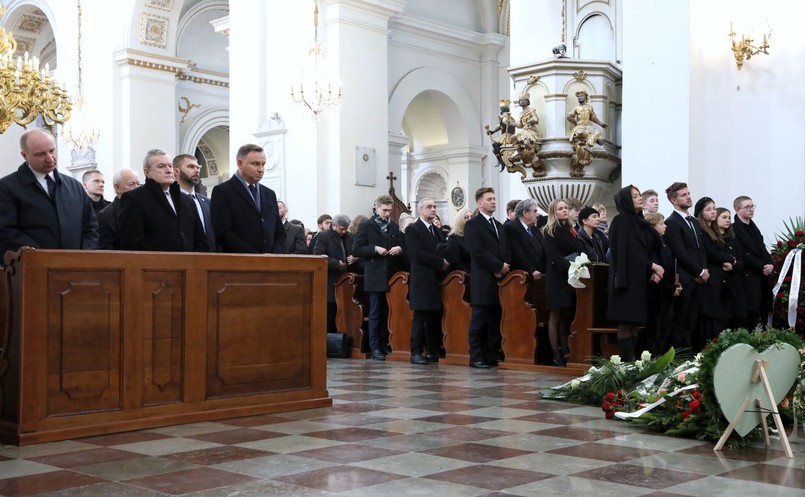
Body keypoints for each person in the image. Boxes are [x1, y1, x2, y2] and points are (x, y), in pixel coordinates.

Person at [0, 128, 98, 258]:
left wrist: (84, 255)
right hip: (32, 267)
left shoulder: (74, 186)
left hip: (75, 266)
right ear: (25, 155)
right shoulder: (7, 187)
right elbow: (5, 231)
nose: (50, 158)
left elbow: (90, 227)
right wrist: (42, 255)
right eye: (40, 154)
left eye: (52, 151)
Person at [607, 186, 664, 361]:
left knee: (634, 322)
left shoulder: (639, 222)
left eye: (639, 195)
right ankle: (627, 360)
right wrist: (652, 265)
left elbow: (652, 245)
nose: (640, 198)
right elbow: (628, 253)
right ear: (626, 201)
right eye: (635, 196)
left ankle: (632, 360)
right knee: (626, 321)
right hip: (625, 279)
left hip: (639, 279)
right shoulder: (621, 220)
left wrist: (654, 267)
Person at [119, 149, 209, 252]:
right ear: (147, 172)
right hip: (154, 265)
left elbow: (200, 239)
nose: (168, 170)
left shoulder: (186, 200)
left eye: (170, 166)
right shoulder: (134, 198)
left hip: (189, 265)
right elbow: (132, 242)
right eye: (161, 166)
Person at [352, 195, 405, 361]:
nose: (387, 214)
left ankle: (384, 344)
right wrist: (375, 248)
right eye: (384, 210)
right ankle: (374, 347)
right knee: (375, 313)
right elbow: (357, 250)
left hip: (391, 275)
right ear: (377, 207)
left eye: (390, 210)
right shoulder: (367, 226)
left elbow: (403, 246)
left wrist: (400, 248)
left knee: (386, 312)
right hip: (375, 275)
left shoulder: (394, 227)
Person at [464, 187, 510, 368]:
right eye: (489, 199)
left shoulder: (498, 225)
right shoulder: (473, 225)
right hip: (483, 278)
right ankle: (476, 356)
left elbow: (506, 248)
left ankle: (492, 354)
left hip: (501, 279)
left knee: (495, 319)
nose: (493, 201)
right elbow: (477, 251)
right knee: (479, 319)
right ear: (479, 203)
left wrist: (506, 264)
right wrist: (498, 266)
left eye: (494, 198)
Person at [211, 144, 286, 254]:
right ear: (240, 163)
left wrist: (274, 255)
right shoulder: (223, 191)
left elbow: (279, 231)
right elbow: (223, 232)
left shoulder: (269, 194)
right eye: (255, 164)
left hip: (271, 263)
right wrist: (255, 257)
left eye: (263, 164)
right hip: (240, 262)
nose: (261, 169)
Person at [664, 182, 709, 351]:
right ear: (674, 200)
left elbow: (700, 248)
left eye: (688, 193)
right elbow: (680, 253)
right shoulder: (672, 222)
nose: (689, 197)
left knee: (692, 322)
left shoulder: (694, 222)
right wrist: (698, 271)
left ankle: (689, 359)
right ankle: (678, 359)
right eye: (683, 195)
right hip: (685, 278)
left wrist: (704, 270)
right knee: (680, 322)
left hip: (698, 279)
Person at [405, 198, 449, 365]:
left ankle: (432, 350)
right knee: (421, 315)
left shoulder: (437, 231)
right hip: (422, 278)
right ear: (420, 210)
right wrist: (440, 262)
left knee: (433, 316)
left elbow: (442, 248)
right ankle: (415, 352)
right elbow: (417, 253)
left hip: (436, 277)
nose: (433, 209)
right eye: (429, 207)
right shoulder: (413, 230)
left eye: (435, 206)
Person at [699, 206, 746, 339]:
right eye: (724, 217)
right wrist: (730, 259)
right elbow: (713, 255)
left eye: (729, 218)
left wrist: (734, 264)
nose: (728, 220)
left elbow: (741, 262)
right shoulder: (712, 238)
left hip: (733, 283)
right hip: (717, 284)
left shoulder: (733, 239)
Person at [541, 199, 578, 366]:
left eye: (566, 208)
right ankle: (556, 354)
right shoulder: (549, 230)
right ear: (553, 212)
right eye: (560, 208)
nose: (564, 210)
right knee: (555, 315)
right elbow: (553, 255)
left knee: (566, 317)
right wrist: (571, 266)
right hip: (557, 276)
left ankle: (565, 350)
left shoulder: (570, 229)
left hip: (570, 276)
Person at [732, 196, 774, 330]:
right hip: (748, 275)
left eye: (752, 206)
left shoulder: (753, 227)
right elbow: (742, 254)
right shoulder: (734, 229)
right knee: (750, 312)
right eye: (747, 207)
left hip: (761, 275)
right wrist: (761, 266)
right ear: (737, 210)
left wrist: (770, 263)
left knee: (762, 309)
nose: (751, 210)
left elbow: (762, 248)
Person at [643, 212, 681, 355]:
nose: (665, 226)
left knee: (665, 331)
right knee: (655, 332)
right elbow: (658, 272)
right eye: (661, 223)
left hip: (669, 293)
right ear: (652, 226)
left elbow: (672, 266)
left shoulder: (664, 243)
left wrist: (677, 285)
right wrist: (670, 289)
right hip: (657, 294)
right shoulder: (652, 244)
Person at [314, 214, 357, 333]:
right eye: (341, 229)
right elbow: (318, 256)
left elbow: (355, 251)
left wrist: (354, 258)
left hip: (347, 281)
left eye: (345, 229)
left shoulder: (350, 236)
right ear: (333, 225)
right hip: (331, 281)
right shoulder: (323, 236)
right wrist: (335, 263)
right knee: (330, 315)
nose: (343, 231)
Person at [173, 154, 216, 251]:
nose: (196, 170)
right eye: (191, 167)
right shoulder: (171, 201)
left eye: (198, 167)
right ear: (176, 171)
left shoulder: (207, 203)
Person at [566, 89, 608, 176]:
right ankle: (595, 140)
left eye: (581, 96)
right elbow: (569, 117)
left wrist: (601, 124)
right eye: (578, 97)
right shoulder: (576, 108)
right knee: (580, 133)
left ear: (586, 97)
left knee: (597, 132)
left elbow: (593, 118)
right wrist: (575, 123)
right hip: (580, 126)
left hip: (588, 127)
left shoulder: (589, 107)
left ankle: (589, 145)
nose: (579, 98)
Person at [97, 168, 141, 250]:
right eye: (132, 184)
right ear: (117, 187)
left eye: (138, 184)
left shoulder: (145, 209)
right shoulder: (106, 215)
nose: (137, 188)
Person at [503, 198, 545, 281]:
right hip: (523, 277)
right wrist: (532, 270)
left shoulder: (534, 228)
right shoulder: (511, 227)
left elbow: (543, 248)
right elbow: (517, 253)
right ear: (525, 213)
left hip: (540, 274)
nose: (537, 215)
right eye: (535, 211)